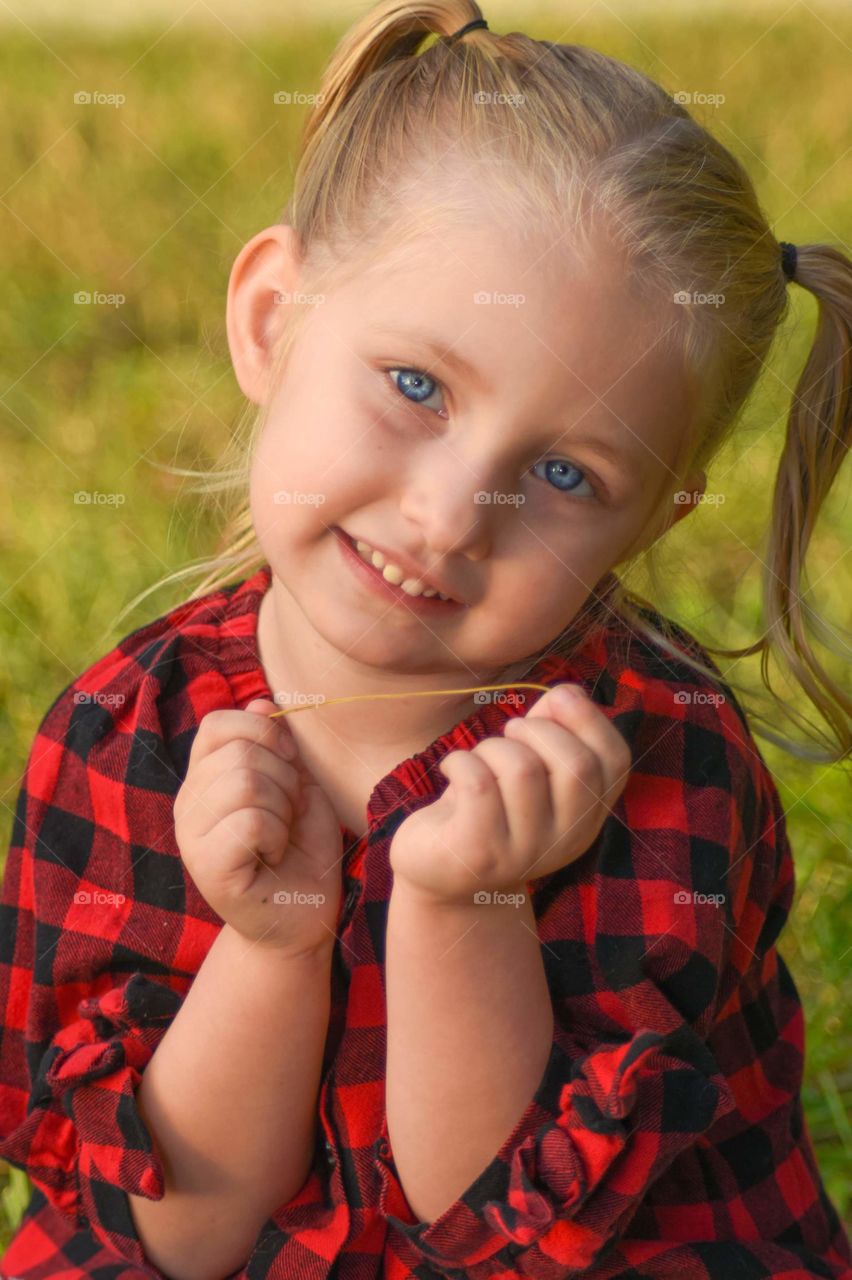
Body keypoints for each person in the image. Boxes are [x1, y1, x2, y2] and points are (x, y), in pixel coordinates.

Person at [1, 3, 851, 1278]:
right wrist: (273, 937)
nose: (454, 513)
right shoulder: (129, 733)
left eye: (565, 472)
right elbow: (176, 1233)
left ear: (646, 524)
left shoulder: (658, 761)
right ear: (272, 317)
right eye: (415, 387)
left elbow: (513, 1234)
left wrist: (467, 906)